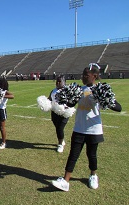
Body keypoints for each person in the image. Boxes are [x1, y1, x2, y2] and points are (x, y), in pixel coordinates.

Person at [51, 64, 122, 192]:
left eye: (86, 75)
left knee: (91, 155)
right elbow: (70, 103)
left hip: (94, 129)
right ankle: (66, 181)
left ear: (94, 76)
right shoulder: (80, 89)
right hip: (79, 128)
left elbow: (118, 107)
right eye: (82, 75)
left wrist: (104, 99)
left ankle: (93, 175)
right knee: (73, 154)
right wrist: (68, 98)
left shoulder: (101, 90)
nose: (83, 77)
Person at [48, 75, 69, 153]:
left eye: (60, 81)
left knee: (60, 128)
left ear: (64, 82)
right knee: (57, 127)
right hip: (54, 112)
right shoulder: (53, 90)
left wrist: (67, 106)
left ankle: (60, 144)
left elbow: (72, 101)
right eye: (57, 81)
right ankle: (62, 139)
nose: (58, 83)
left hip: (64, 112)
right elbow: (49, 99)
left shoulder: (67, 90)